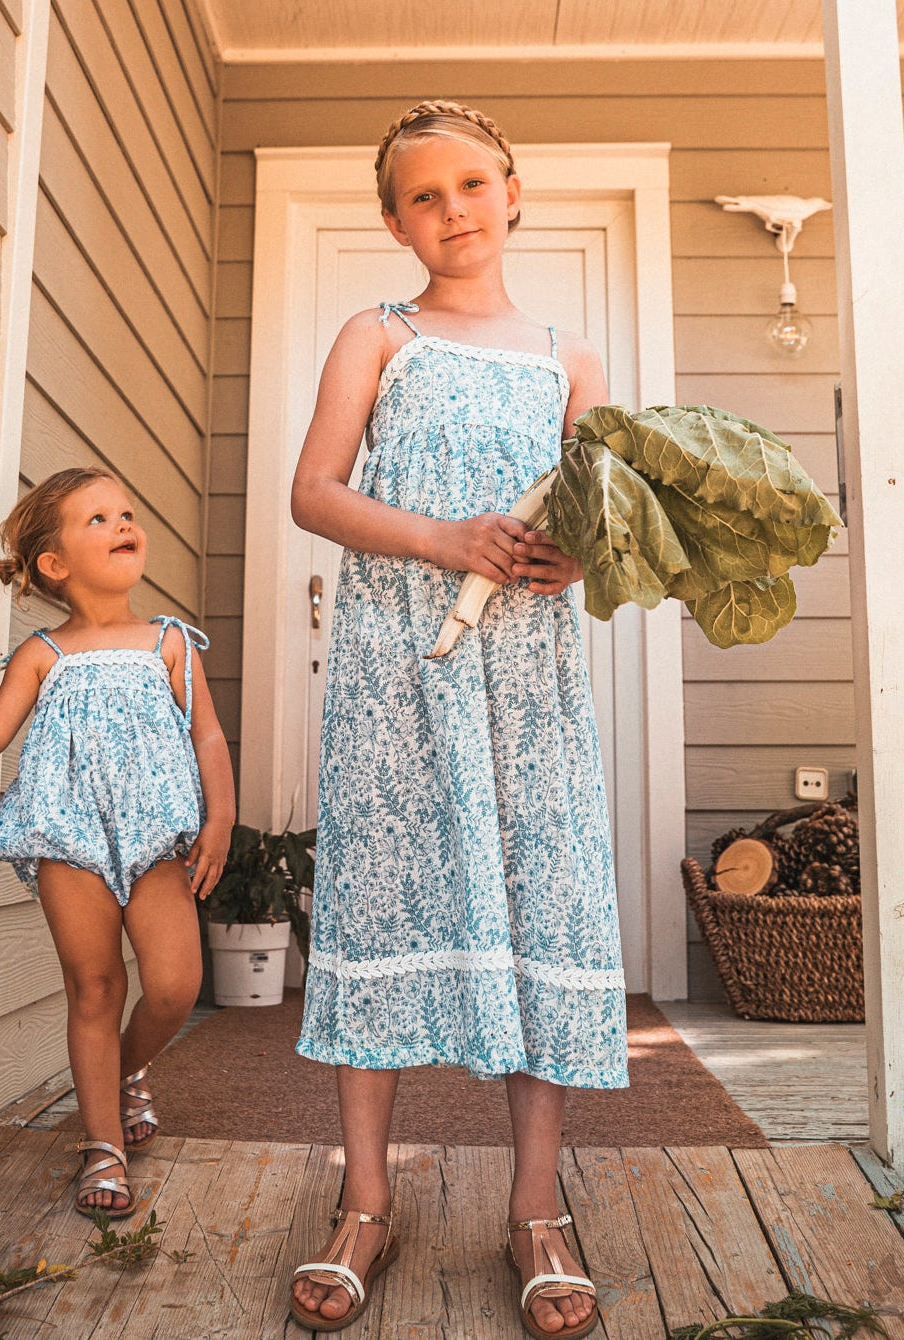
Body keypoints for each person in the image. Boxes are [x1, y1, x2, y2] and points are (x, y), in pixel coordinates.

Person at [288, 101, 628, 1338]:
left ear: (514, 192)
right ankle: (365, 1198)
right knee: (383, 899)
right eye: (422, 196)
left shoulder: (569, 358)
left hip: (526, 678)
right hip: (397, 666)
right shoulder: (377, 335)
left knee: (541, 896)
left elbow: (600, 520)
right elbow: (312, 492)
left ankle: (535, 1203)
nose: (452, 211)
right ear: (393, 221)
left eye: (472, 184)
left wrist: (573, 561)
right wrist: (441, 537)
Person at [0, 467, 235, 1219]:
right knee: (94, 988)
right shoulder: (42, 655)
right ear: (53, 564)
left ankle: (122, 1073)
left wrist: (221, 817)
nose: (123, 523)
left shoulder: (170, 642)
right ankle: (101, 1144)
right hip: (69, 838)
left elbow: (207, 734)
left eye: (126, 510)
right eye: (97, 519)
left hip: (156, 839)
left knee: (176, 984)